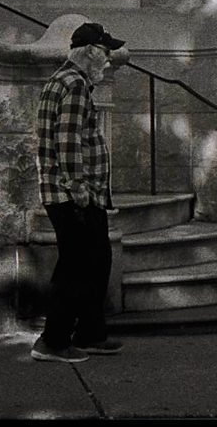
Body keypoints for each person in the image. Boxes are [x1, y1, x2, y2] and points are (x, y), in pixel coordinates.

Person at [30, 21, 126, 363]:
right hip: (72, 195)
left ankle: (89, 333)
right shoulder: (73, 84)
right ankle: (53, 341)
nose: (109, 60)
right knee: (77, 266)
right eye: (105, 52)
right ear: (89, 52)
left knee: (96, 261)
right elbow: (67, 140)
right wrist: (78, 187)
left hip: (78, 193)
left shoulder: (69, 81)